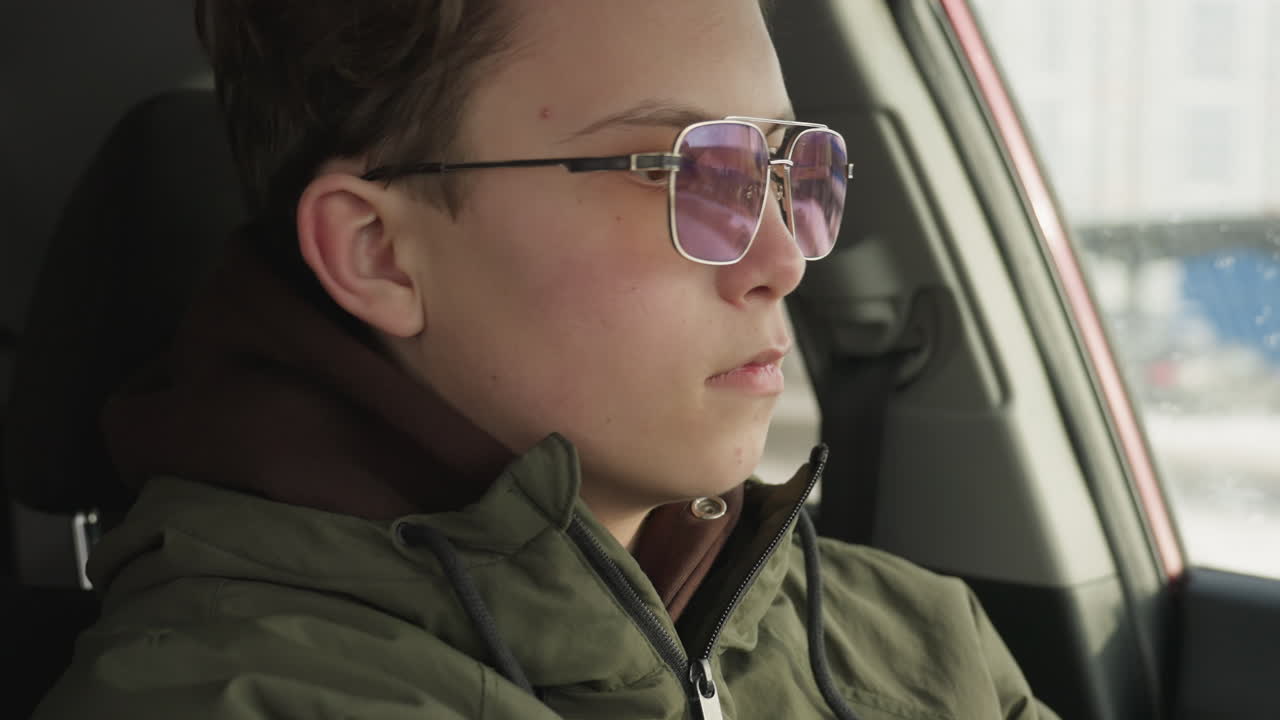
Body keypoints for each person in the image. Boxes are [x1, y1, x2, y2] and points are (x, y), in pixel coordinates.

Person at [34, 1, 1061, 718]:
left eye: (786, 171)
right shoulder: (224, 697)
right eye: (688, 173)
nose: (782, 260)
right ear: (378, 253)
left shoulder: (913, 638)